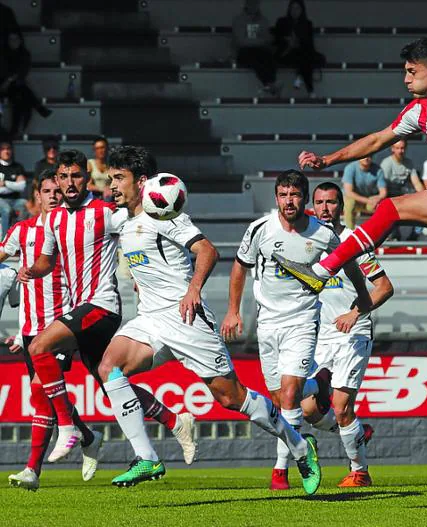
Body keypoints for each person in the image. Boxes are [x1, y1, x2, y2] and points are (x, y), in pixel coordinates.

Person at [275, 38, 427, 422]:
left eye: (411, 71)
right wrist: (328, 160)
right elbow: (378, 140)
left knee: (391, 207)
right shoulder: (421, 111)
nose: (405, 78)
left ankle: (322, 269)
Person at [95, 152, 321, 493]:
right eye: (111, 178)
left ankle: (300, 446)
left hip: (187, 320)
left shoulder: (166, 214)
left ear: (142, 182)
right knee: (109, 368)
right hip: (151, 320)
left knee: (232, 399)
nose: (112, 185)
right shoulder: (122, 222)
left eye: (118, 178)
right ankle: (147, 457)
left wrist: (193, 290)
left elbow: (208, 251)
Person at [16, 149, 194, 466]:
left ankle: (69, 428)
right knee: (110, 381)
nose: (70, 183)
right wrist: (33, 270)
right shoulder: (53, 219)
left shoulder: (106, 212)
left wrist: (148, 270)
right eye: (64, 177)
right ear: (57, 179)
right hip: (80, 310)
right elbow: (47, 260)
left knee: (40, 346)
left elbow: (143, 225)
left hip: (102, 306)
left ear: (87, 178)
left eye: (76, 176)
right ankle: (174, 421)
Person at [221, 170, 369, 491]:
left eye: (295, 195)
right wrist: (233, 310)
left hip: (302, 321)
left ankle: (282, 471)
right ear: (276, 197)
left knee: (288, 398)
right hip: (267, 323)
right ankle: (320, 383)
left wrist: (363, 298)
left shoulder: (323, 234)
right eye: (284, 195)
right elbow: (239, 267)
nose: (289, 201)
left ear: (305, 199)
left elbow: (350, 264)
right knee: (277, 400)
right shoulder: (260, 229)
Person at [3, 170, 102, 490]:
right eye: (46, 191)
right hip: (31, 328)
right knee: (44, 393)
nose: (53, 195)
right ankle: (86, 435)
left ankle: (32, 470)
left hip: (61, 324)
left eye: (56, 190)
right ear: (36, 197)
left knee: (38, 392)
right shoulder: (22, 231)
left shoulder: (70, 230)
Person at [299, 182, 393, 488]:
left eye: (331, 202)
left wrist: (355, 313)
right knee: (310, 409)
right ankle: (356, 431)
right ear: (312, 206)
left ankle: (360, 471)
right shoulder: (306, 241)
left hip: (353, 333)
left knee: (341, 406)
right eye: (320, 202)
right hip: (320, 337)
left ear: (342, 206)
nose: (325, 208)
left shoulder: (354, 241)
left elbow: (384, 287)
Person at [0, 32, 52, 138]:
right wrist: (9, 80)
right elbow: (4, 72)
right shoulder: (3, 54)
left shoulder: (24, 54)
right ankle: (39, 107)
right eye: (11, 39)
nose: (13, 42)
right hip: (3, 85)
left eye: (16, 39)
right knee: (23, 92)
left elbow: (23, 71)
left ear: (20, 41)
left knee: (22, 99)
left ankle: (16, 129)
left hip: (15, 86)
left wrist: (11, 79)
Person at [274, 0, 325, 97]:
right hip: (286, 54)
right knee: (305, 58)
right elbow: (276, 41)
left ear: (302, 10)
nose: (294, 11)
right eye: (292, 8)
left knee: (307, 56)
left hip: (302, 53)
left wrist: (298, 43)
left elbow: (310, 45)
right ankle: (309, 89)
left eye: (297, 8)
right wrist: (288, 42)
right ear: (289, 9)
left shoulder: (307, 24)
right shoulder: (281, 22)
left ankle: (300, 75)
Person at [232, 0, 279, 96]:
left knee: (269, 57)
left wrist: (257, 42)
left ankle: (271, 83)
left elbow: (267, 39)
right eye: (251, 3)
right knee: (254, 58)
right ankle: (269, 84)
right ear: (246, 4)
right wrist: (260, 41)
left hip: (260, 51)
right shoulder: (239, 20)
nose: (254, 6)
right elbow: (241, 42)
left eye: (256, 3)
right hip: (244, 52)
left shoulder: (263, 20)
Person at [342, 156, 387, 230]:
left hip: (369, 201)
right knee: (349, 203)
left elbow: (383, 192)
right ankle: (349, 233)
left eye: (369, 156)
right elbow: (349, 192)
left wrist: (377, 198)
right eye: (363, 156)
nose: (366, 158)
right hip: (354, 200)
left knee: (382, 207)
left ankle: (380, 233)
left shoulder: (378, 170)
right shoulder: (350, 168)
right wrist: (369, 201)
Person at [0, 139, 27, 236]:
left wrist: (5, 183)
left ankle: (20, 237)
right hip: (1, 200)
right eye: (3, 149)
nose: (6, 151)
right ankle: (4, 241)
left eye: (8, 149)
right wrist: (14, 185)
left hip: (16, 199)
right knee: (7, 210)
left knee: (26, 205)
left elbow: (22, 187)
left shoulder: (18, 167)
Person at [87, 136, 111, 200]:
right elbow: (88, 186)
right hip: (94, 196)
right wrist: (102, 189)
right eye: (97, 148)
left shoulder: (111, 165)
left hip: (108, 196)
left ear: (107, 148)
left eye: (102, 147)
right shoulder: (90, 163)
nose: (100, 151)